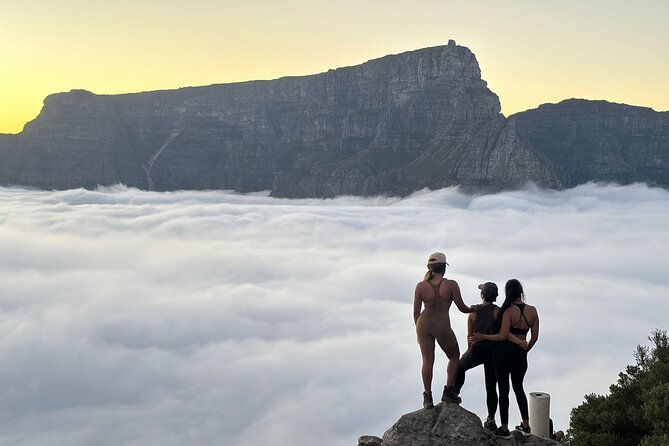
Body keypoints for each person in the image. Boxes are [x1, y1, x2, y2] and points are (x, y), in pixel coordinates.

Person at [470, 279, 539, 438]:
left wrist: (482, 336)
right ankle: (526, 426)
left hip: (503, 353)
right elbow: (534, 337)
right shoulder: (532, 311)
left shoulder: (507, 311)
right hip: (521, 355)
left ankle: (504, 427)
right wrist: (525, 348)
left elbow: (503, 334)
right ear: (520, 291)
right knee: (519, 388)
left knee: (503, 390)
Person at [453, 282, 526, 431]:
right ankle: (491, 419)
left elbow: (470, 335)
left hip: (477, 350)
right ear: (495, 296)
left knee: (459, 367)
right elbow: (503, 332)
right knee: (491, 387)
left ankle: (454, 394)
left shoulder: (473, 313)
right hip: (493, 352)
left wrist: (469, 351)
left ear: (482, 295)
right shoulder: (499, 312)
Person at [413, 252, 474, 409]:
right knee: (454, 356)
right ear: (444, 268)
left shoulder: (421, 286)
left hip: (423, 323)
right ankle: (448, 391)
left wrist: (418, 332)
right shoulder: (451, 285)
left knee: (427, 360)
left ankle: (427, 397)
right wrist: (473, 309)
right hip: (442, 325)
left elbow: (415, 313)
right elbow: (462, 307)